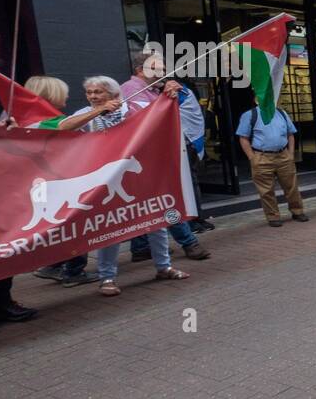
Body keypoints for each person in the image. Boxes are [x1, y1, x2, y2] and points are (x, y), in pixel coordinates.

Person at [58, 76, 190, 296]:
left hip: (140, 177)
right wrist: (96, 111)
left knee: (156, 220)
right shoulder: (86, 113)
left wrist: (170, 89)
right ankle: (107, 277)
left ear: (113, 93)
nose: (92, 96)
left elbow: (162, 111)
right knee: (109, 229)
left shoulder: (135, 107)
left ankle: (163, 267)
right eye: (89, 93)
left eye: (98, 92)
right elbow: (63, 127)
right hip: (106, 182)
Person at [125, 53, 211, 261]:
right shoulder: (131, 90)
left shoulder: (151, 90)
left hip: (151, 158)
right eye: (157, 69)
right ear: (140, 70)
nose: (162, 73)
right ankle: (189, 243)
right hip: (145, 159)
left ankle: (141, 247)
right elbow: (149, 120)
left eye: (163, 69)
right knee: (166, 201)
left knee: (145, 205)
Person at [16, 75, 97, 287]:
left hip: (42, 180)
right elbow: (63, 126)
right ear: (50, 95)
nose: (68, 95)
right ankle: (73, 271)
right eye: (63, 92)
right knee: (73, 221)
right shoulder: (41, 121)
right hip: (56, 180)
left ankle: (52, 265)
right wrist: (99, 110)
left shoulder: (20, 118)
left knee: (56, 223)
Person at [236, 95, 308, 227]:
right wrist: (252, 157)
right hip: (261, 156)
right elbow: (243, 138)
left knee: (291, 186)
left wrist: (291, 154)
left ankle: (297, 211)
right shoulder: (249, 115)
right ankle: (273, 216)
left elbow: (290, 134)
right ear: (256, 100)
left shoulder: (281, 113)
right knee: (266, 190)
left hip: (283, 155)